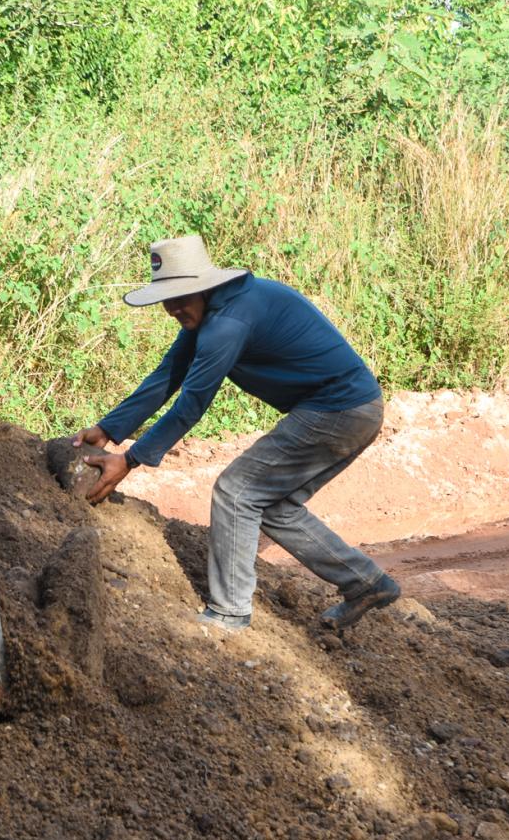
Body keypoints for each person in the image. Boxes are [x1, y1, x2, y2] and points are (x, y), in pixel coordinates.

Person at [75, 235, 400, 632]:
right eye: (167, 299)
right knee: (273, 505)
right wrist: (109, 429)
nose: (173, 308)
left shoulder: (227, 325)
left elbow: (191, 403)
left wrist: (129, 460)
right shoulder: (215, 310)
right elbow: (168, 374)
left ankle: (228, 613)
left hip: (337, 410)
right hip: (351, 407)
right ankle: (366, 583)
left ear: (205, 287)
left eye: (181, 297)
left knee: (236, 492)